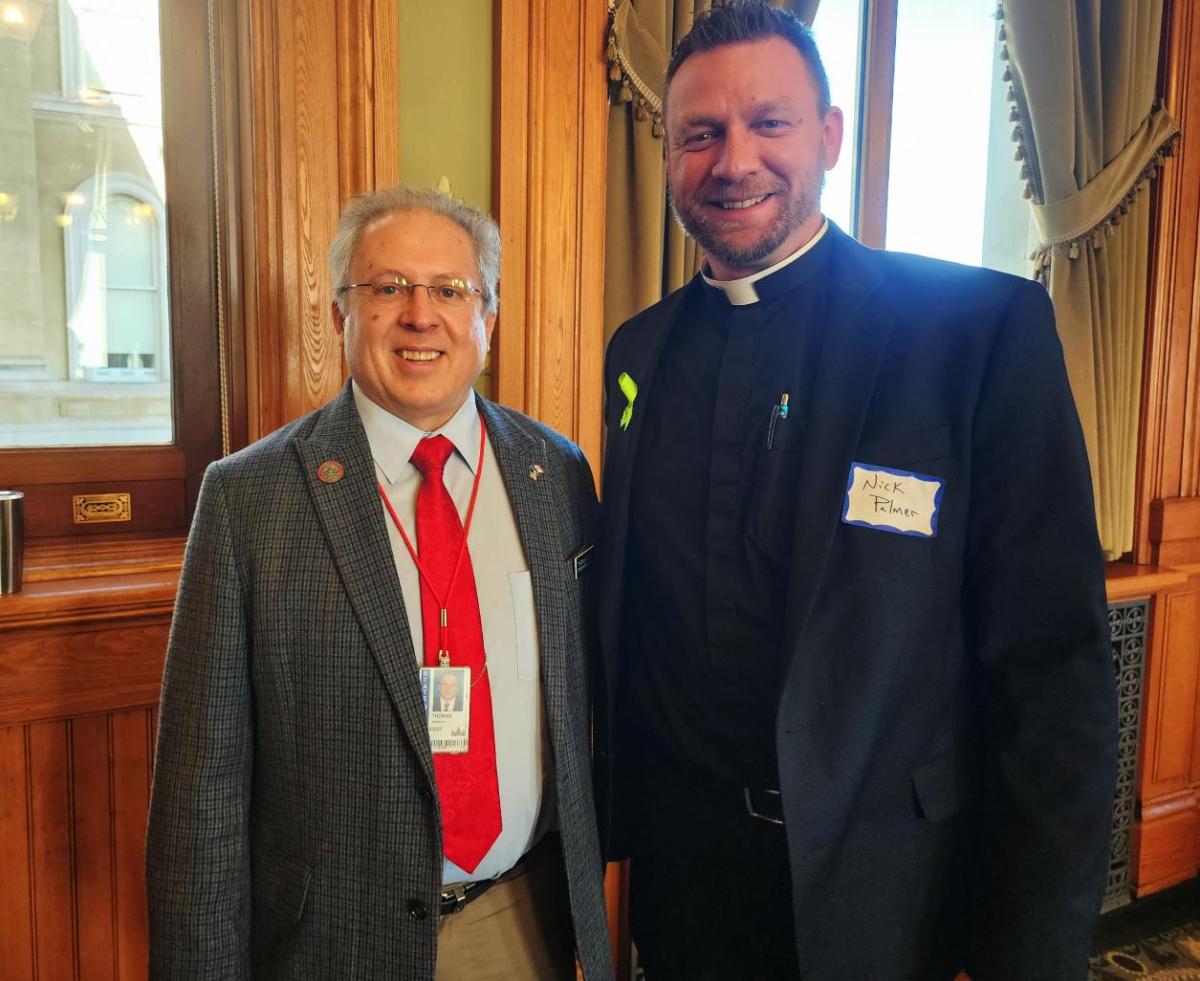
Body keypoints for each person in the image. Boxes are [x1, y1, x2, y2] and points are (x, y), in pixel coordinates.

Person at [595, 3, 1117, 980]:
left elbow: (1056, 676)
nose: (734, 160)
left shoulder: (974, 334)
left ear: (828, 136)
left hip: (895, 898)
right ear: (669, 154)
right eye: (700, 134)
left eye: (770, 124)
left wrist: (1029, 952)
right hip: (688, 889)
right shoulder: (637, 356)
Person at [147, 186, 612, 980]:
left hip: (523, 922)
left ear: (487, 319)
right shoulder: (248, 499)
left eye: (450, 290)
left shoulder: (556, 473)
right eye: (388, 287)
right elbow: (201, 799)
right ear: (339, 316)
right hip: (331, 946)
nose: (420, 314)